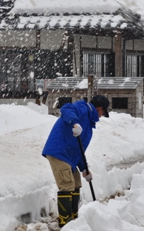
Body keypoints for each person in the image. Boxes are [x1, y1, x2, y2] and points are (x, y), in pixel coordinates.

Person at [42, 94, 110, 228]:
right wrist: (75, 122)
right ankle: (65, 223)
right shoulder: (83, 108)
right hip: (59, 151)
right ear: (99, 108)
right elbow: (66, 109)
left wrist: (84, 169)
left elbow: (79, 150)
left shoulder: (89, 127)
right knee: (67, 184)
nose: (102, 116)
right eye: (103, 113)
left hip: (69, 156)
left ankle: (74, 220)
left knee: (76, 183)